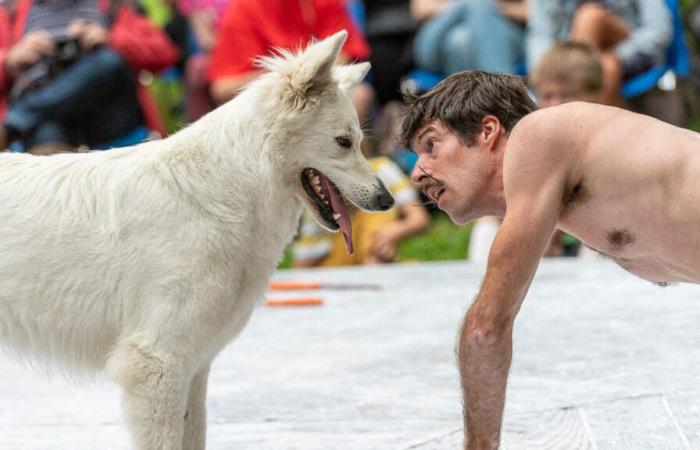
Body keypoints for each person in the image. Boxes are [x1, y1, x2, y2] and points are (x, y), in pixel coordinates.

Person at [401, 70, 700, 448]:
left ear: (488, 130)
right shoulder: (568, 181)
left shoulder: (537, 136)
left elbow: (486, 328)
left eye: (431, 146)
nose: (416, 174)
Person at [468, 40, 604, 262]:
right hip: (537, 242)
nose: (555, 105)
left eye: (566, 95)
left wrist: (554, 227)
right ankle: (483, 282)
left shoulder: (606, 138)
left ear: (594, 95)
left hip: (588, 244)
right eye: (548, 96)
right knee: (488, 221)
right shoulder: (525, 138)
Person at [0, 0, 179, 153]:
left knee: (109, 60)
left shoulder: (112, 6)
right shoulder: (11, 10)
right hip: (49, 120)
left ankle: (14, 123)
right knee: (44, 132)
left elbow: (166, 53)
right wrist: (10, 60)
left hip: (108, 115)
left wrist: (111, 39)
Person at [207, 0, 371, 113]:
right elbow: (223, 88)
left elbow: (346, 53)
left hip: (318, 90)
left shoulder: (321, 3)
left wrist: (307, 73)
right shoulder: (244, 8)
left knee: (360, 95)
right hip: (269, 102)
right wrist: (289, 75)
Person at [293, 154, 430, 266]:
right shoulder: (322, 196)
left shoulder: (381, 169)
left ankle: (374, 264)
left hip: (371, 255)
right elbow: (304, 265)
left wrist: (394, 232)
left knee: (376, 212)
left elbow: (419, 218)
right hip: (337, 272)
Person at [527, 0, 672, 106]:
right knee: (608, 67)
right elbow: (540, 34)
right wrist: (546, 70)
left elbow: (659, 31)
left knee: (590, 17)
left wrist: (616, 55)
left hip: (629, 51)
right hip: (573, 61)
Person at [412, 0, 528, 76]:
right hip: (437, 38)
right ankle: (505, 89)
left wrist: (492, 9)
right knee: (477, 4)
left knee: (459, 41)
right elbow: (421, 9)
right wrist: (468, 6)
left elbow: (530, 11)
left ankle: (459, 108)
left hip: (505, 34)